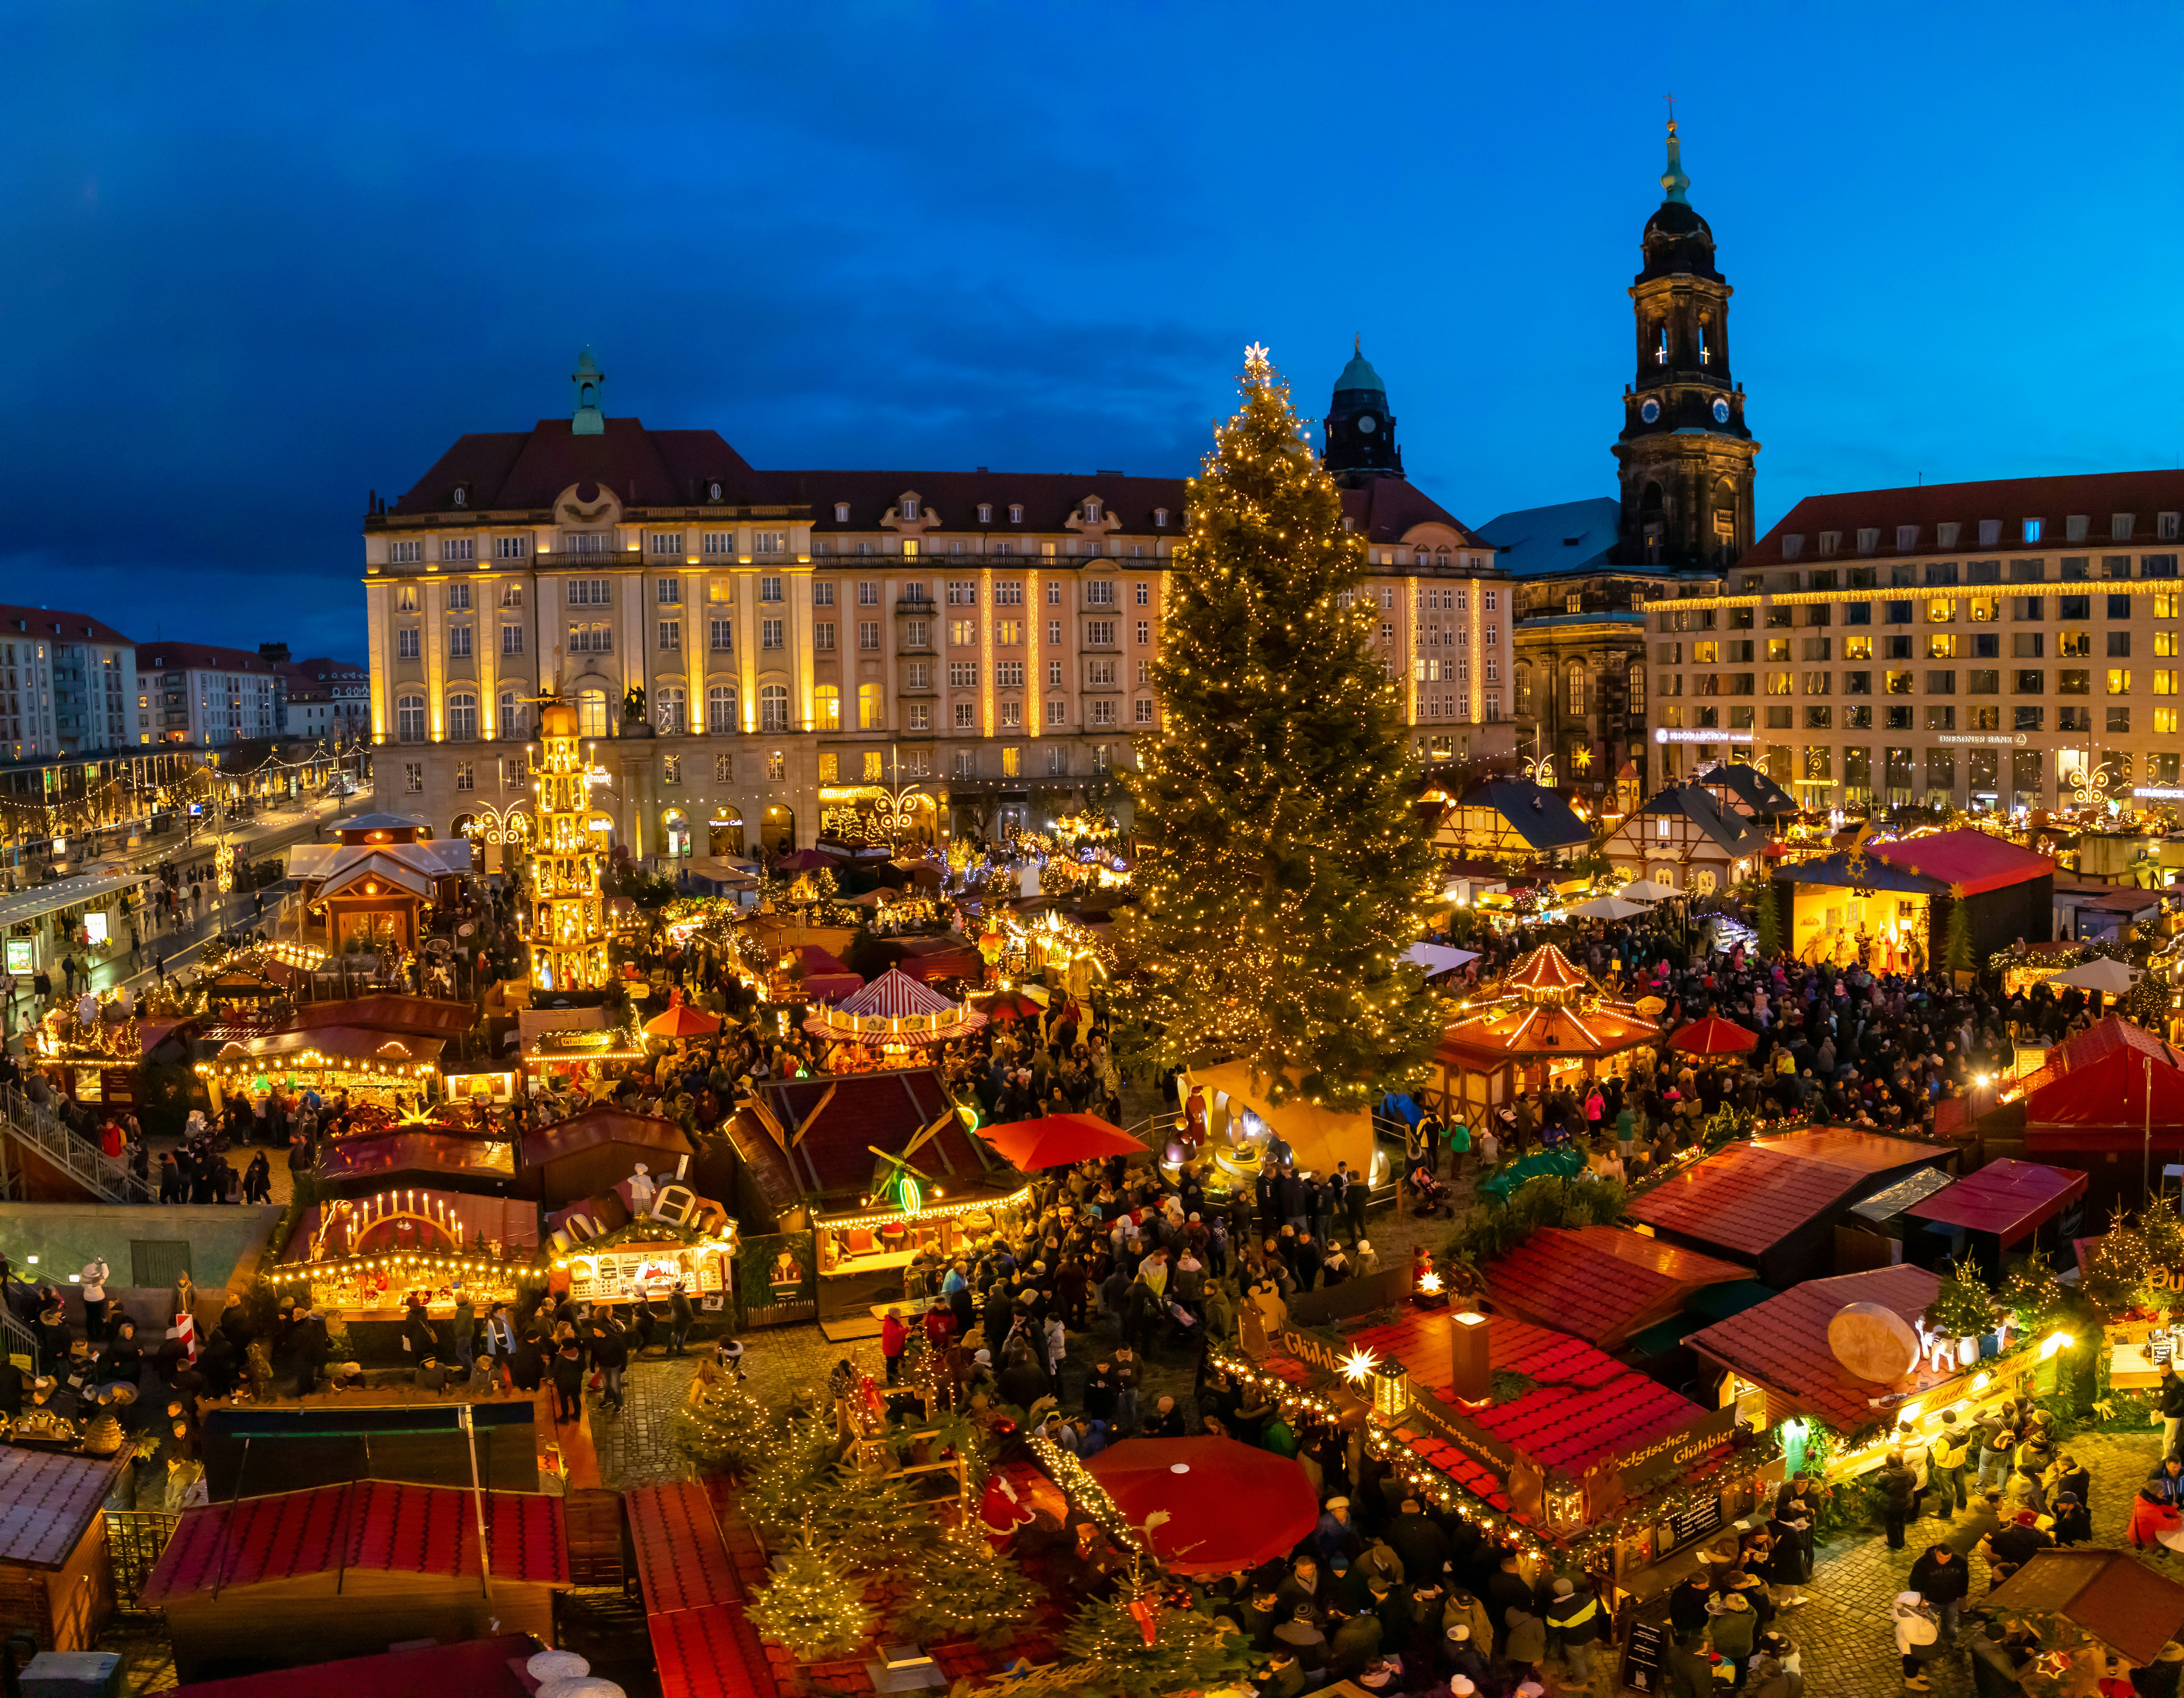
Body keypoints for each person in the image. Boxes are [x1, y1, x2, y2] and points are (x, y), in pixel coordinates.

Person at [1544, 1574, 1603, 1688]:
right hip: (1591, 1634)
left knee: (1577, 1661)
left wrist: (1554, 1648)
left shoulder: (1554, 1612)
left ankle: (1580, 1682)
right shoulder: (1589, 1599)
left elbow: (1554, 1633)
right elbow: (1601, 1613)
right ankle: (1591, 1673)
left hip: (1573, 1640)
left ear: (1557, 1593)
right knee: (1589, 1654)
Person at [1907, 1543, 1969, 1642]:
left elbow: (1964, 1579)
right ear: (1936, 1551)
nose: (1944, 1561)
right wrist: (1921, 1598)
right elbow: (1914, 1582)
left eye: (1948, 1558)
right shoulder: (1923, 1563)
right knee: (1928, 1623)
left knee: (1950, 1623)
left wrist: (1961, 1594)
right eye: (1941, 1557)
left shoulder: (1959, 1562)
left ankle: (1949, 1641)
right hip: (1931, 1601)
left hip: (1951, 1600)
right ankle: (1930, 1641)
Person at [1892, 1590, 1941, 1693]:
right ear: (1914, 1605)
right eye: (1922, 1601)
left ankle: (1912, 1676)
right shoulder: (1910, 1620)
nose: (1926, 1602)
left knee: (1913, 1663)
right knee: (1912, 1664)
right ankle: (1911, 1682)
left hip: (1913, 1647)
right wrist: (1931, 1639)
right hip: (1911, 1648)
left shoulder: (1914, 1611)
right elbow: (1913, 1638)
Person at [1926, 1409, 1970, 1520]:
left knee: (1947, 1491)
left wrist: (1933, 1448)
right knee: (1960, 1484)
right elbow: (1968, 1444)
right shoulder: (1966, 1430)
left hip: (1946, 1466)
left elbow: (1940, 1456)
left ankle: (1946, 1513)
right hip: (1959, 1462)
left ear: (1944, 1421)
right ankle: (1962, 1505)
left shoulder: (1945, 1438)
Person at [1875, 1449, 1919, 1550]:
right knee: (1901, 1521)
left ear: (1888, 1463)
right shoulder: (1910, 1471)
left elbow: (1876, 1484)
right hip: (1905, 1501)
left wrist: (1883, 1472)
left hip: (1890, 1504)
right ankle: (1901, 1541)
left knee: (1891, 1523)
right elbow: (1914, 1482)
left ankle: (1895, 1543)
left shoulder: (1886, 1475)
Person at [550, 1339, 583, 1423]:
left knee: (564, 1399)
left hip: (563, 1382)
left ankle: (565, 1418)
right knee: (576, 1397)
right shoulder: (578, 1353)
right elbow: (583, 1366)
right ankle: (577, 1416)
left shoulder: (561, 1357)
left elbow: (554, 1372)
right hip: (576, 1380)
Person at [668, 1280, 695, 1357]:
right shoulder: (683, 1298)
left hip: (675, 1316)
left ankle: (670, 1348)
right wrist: (692, 1318)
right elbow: (688, 1310)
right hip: (684, 1319)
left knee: (675, 1332)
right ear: (683, 1289)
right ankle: (680, 1350)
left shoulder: (670, 1295)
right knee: (683, 1334)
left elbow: (670, 1305)